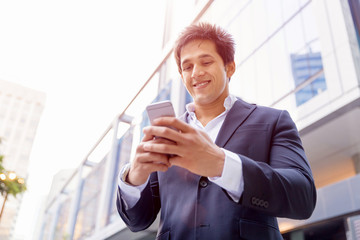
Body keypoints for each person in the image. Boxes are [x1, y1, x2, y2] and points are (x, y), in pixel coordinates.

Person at [116, 22, 316, 240]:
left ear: (229, 67)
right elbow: (137, 221)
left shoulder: (273, 120)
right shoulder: (167, 133)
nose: (196, 73)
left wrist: (221, 164)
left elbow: (302, 197)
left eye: (206, 61)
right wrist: (134, 177)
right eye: (187, 67)